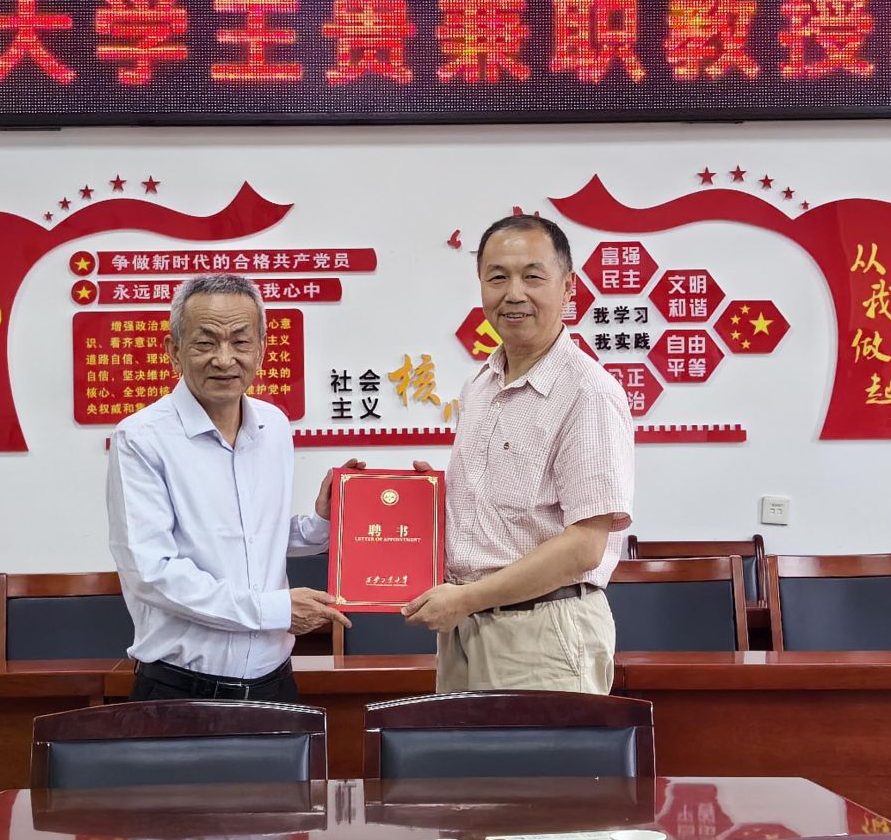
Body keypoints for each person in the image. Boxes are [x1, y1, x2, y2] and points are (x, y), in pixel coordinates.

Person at [398, 213, 635, 692]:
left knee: (538, 749)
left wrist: (467, 599)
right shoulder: (480, 384)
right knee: (461, 748)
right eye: (497, 278)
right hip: (466, 628)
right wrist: (431, 501)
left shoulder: (587, 392)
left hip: (543, 633)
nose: (514, 294)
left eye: (532, 276)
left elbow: (583, 547)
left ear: (568, 288)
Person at [106, 273, 348, 701]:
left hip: (275, 682)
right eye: (205, 342)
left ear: (261, 349)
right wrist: (273, 609)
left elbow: (254, 538)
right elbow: (152, 572)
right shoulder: (142, 438)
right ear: (174, 350)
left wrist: (321, 523)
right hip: (181, 689)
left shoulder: (273, 426)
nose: (224, 359)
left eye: (240, 341)